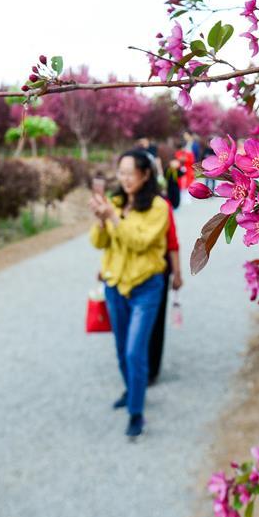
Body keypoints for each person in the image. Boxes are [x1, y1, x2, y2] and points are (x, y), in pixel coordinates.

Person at [89, 149, 169, 439]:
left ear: (145, 174)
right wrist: (101, 220)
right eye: (120, 173)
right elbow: (99, 242)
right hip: (115, 286)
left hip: (146, 286)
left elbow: (140, 242)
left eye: (130, 173)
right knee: (122, 349)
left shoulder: (159, 207)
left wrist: (113, 217)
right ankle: (131, 390)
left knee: (136, 351)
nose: (124, 179)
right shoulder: (117, 201)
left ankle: (136, 412)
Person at [148, 201, 183, 385]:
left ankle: (151, 369)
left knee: (156, 323)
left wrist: (177, 273)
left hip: (158, 273)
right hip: (127, 273)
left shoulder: (162, 205)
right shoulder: (122, 202)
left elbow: (172, 242)